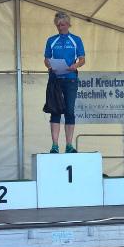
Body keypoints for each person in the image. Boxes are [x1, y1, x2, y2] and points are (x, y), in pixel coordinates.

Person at [44, 12, 85, 153]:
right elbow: (46, 59)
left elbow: (82, 59)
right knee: (54, 110)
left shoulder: (76, 40)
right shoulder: (51, 40)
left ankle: (69, 145)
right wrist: (49, 66)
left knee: (69, 111)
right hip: (55, 79)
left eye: (62, 24)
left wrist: (75, 65)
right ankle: (55, 145)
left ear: (68, 24)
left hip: (70, 78)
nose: (60, 27)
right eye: (58, 25)